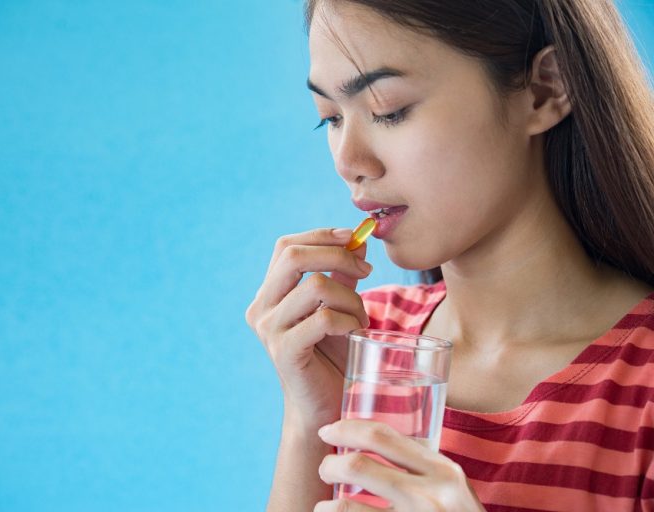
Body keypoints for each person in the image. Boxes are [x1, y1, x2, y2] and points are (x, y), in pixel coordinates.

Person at [245, 0, 654, 510]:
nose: (350, 163)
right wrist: (312, 420)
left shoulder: (642, 391)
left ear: (546, 88)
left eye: (387, 110)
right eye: (329, 118)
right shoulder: (363, 339)